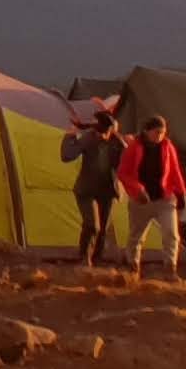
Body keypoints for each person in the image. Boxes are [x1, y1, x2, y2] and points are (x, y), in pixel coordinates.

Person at [118, 114, 186, 280]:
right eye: (157, 132)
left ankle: (170, 268)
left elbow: (175, 170)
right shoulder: (134, 147)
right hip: (141, 200)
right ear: (147, 131)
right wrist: (137, 189)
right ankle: (132, 266)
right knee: (136, 235)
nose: (160, 136)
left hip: (164, 198)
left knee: (171, 233)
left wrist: (181, 192)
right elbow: (123, 173)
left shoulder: (167, 146)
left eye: (163, 132)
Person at [72, 104, 127, 267]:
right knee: (92, 224)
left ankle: (96, 258)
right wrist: (71, 136)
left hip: (107, 190)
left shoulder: (117, 143)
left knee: (103, 227)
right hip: (87, 189)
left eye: (103, 132)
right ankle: (84, 257)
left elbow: (124, 164)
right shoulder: (89, 139)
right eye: (98, 132)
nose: (100, 135)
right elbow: (68, 154)